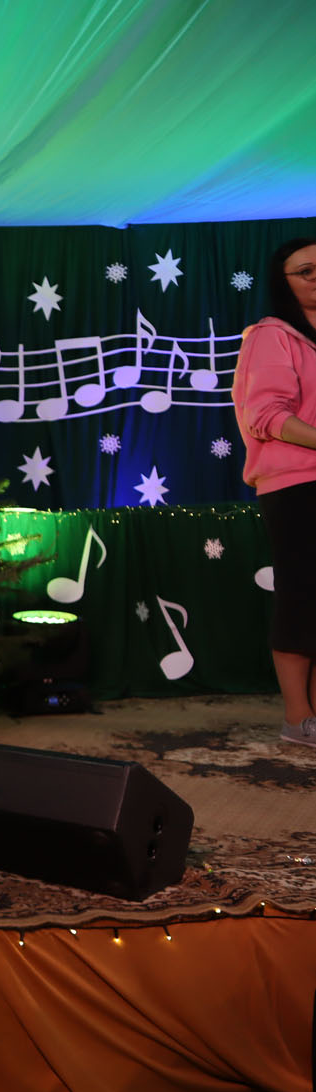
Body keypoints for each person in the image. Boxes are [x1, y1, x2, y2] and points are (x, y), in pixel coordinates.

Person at [233, 237, 316, 747]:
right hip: (297, 483)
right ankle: (297, 717)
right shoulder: (271, 335)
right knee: (303, 595)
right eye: (307, 271)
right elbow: (265, 415)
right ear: (282, 282)